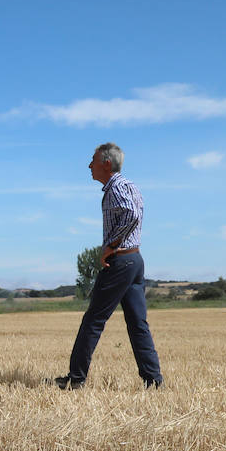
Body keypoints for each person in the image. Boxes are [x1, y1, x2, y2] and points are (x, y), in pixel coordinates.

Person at [54, 143, 164, 390]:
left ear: (106, 163)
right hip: (135, 260)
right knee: (138, 324)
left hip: (121, 261)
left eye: (93, 160)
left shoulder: (117, 188)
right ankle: (153, 381)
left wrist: (111, 245)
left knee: (93, 320)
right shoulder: (129, 185)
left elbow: (131, 215)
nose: (89, 165)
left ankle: (76, 378)